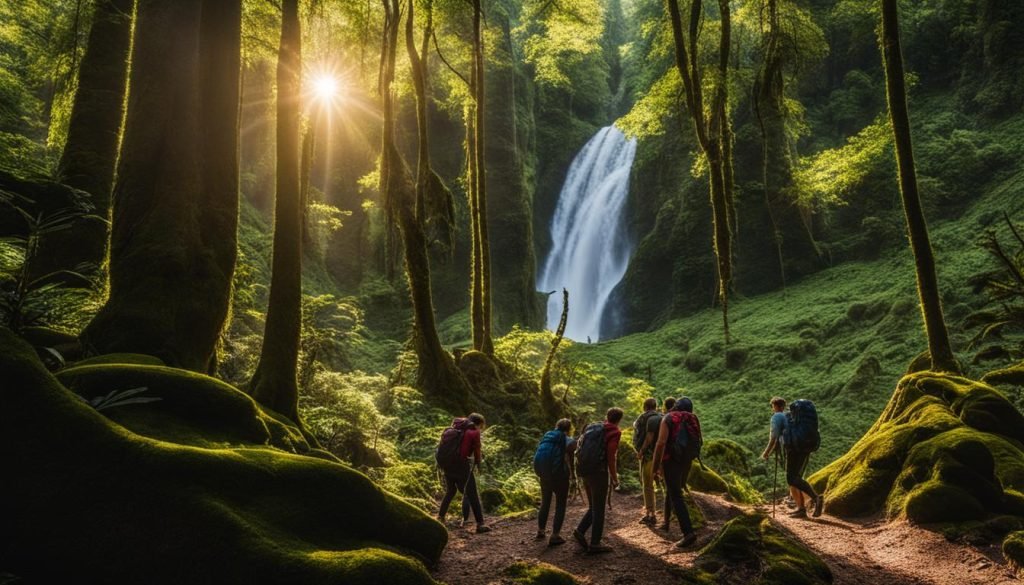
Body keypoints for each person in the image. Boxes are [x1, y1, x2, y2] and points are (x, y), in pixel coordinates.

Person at [761, 397, 823, 518]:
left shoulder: (777, 417)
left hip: (793, 450)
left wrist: (766, 453)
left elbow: (773, 438)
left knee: (791, 478)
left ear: (775, 406)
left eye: (772, 406)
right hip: (805, 447)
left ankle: (816, 498)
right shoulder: (792, 417)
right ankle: (801, 509)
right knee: (797, 478)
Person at [573, 407, 623, 554]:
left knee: (593, 506)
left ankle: (580, 530)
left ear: (607, 416)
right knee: (599, 508)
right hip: (598, 473)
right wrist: (614, 478)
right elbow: (611, 457)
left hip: (584, 470)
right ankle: (595, 544)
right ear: (619, 420)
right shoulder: (614, 431)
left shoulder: (593, 427)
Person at [653, 397, 699, 548]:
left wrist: (655, 467)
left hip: (671, 460)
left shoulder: (669, 418)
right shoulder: (692, 418)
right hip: (686, 460)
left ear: (675, 406)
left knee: (676, 495)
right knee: (674, 491)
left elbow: (660, 444)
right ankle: (666, 523)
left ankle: (688, 533)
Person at [437, 413, 491, 533]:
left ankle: (440, 517)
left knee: (451, 491)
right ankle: (480, 524)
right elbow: (477, 452)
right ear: (477, 424)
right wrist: (478, 463)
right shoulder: (473, 432)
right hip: (461, 466)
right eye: (481, 427)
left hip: (447, 464)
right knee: (473, 493)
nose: (480, 430)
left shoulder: (455, 428)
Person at [533, 418, 576, 546]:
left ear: (556, 426)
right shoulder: (568, 440)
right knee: (560, 504)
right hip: (560, 476)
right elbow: (572, 461)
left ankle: (541, 531)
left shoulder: (548, 437)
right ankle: (555, 535)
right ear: (569, 429)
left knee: (545, 502)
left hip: (544, 474)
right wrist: (573, 476)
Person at [633, 397, 663, 525]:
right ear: (655, 406)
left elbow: (649, 437)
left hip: (649, 457)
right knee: (664, 485)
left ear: (644, 407)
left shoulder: (645, 418)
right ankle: (669, 515)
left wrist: (641, 451)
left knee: (648, 485)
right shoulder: (663, 417)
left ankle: (650, 514)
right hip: (663, 456)